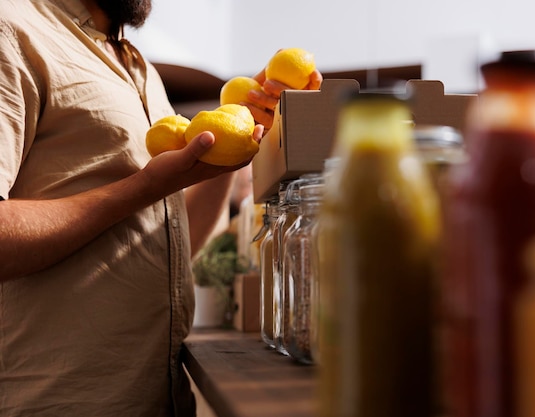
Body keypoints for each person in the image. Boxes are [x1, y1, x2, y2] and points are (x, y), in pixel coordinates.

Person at [0, 0, 323, 416]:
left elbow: (164, 242)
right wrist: (144, 187)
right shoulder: (14, 30)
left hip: (159, 399)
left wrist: (232, 138)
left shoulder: (141, 69)